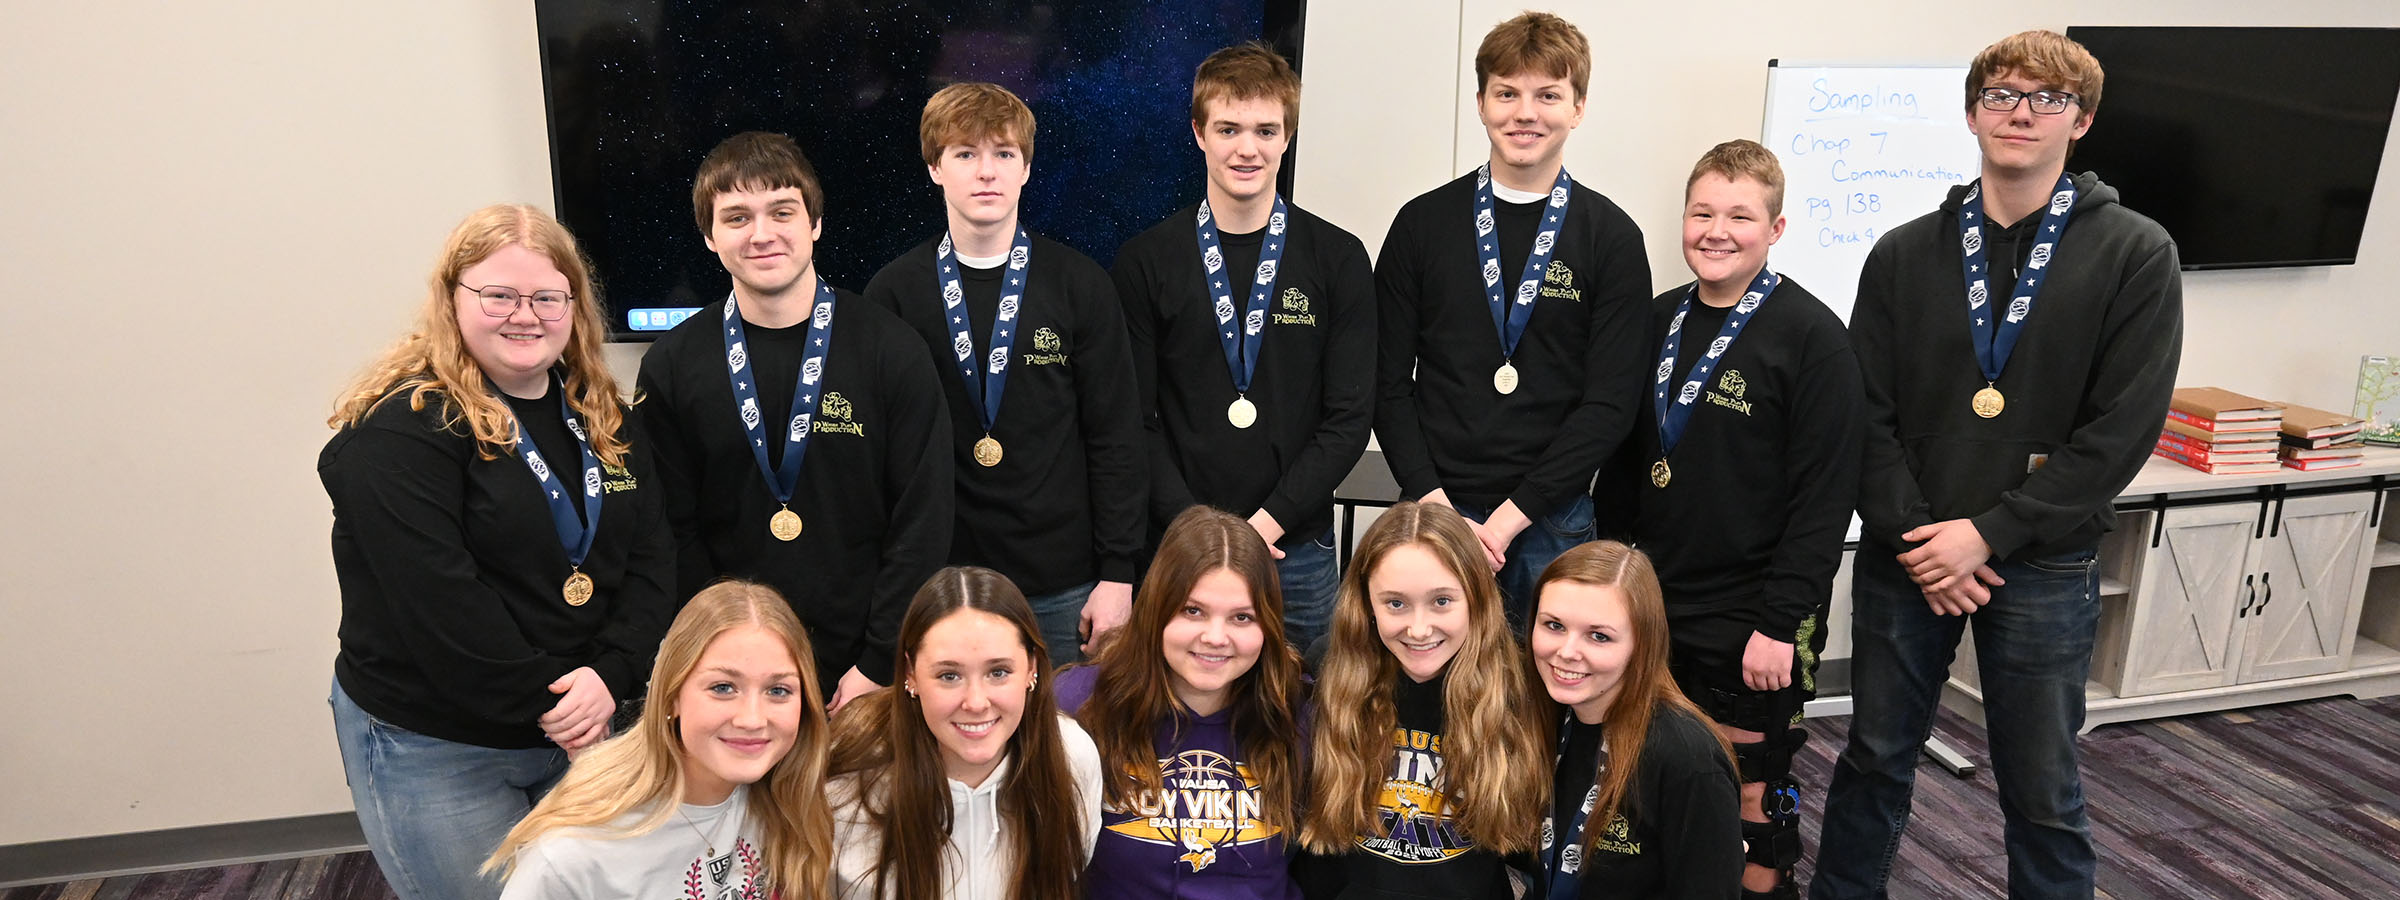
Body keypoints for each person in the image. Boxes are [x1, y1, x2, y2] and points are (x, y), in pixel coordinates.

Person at [1812, 30, 2183, 900]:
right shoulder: (1904, 252)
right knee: (1872, 760)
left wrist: (1987, 534)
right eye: (2003, 95)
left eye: (2047, 99)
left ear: (2081, 120)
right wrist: (1920, 539)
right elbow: (1865, 413)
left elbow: (2119, 434)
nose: (2021, 113)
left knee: (2043, 789)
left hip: (2043, 561)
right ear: (1972, 111)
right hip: (1911, 557)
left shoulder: (2134, 252)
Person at [321, 203, 675, 900]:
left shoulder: (606, 416)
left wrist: (610, 675)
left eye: (548, 297)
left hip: (591, 723)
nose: (526, 315)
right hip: (442, 744)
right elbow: (441, 603)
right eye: (499, 296)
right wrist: (557, 701)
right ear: (452, 300)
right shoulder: (398, 432)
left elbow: (653, 562)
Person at [1600, 139, 1861, 899]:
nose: (1717, 231)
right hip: (1651, 601)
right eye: (1702, 212)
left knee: (1753, 789)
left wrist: (1781, 623)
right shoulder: (1654, 322)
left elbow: (1825, 497)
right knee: (1650, 779)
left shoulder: (1812, 339)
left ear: (1775, 230)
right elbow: (1621, 466)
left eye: (1740, 216)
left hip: (1752, 616)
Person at [637, 131, 952, 708]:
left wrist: (879, 660)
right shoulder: (672, 365)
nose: (761, 234)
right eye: (736, 217)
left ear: (815, 223)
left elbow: (923, 518)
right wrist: (721, 657)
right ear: (709, 237)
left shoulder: (892, 348)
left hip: (864, 672)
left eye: (781, 210)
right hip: (736, 674)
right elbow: (670, 531)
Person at [1372, 11, 1650, 627]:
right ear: (1480, 103)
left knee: (1547, 702)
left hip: (1553, 520)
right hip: (1434, 508)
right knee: (1426, 697)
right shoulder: (1421, 226)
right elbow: (1386, 384)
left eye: (1548, 95)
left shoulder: (1612, 239)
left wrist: (1508, 519)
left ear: (1578, 107)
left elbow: (1610, 404)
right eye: (1507, 93)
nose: (1526, 113)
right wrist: (1438, 509)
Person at [865, 82, 1144, 664]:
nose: (985, 172)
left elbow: (1116, 436)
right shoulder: (893, 293)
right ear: (935, 167)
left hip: (1064, 583)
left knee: (1066, 748)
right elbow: (879, 457)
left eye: (1003, 154)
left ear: (1026, 167)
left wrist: (1118, 575)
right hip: (938, 578)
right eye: (966, 154)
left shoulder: (1081, 284)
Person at [1112, 42, 1375, 653]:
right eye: (1228, 128)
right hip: (1178, 547)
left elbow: (1348, 420)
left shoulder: (1337, 258)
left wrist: (1263, 527)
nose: (1247, 148)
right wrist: (1199, 532)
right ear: (1199, 133)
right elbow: (1134, 421)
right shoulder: (1146, 261)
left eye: (1265, 130)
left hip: (1296, 549)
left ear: (1287, 138)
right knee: (1174, 727)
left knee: (1305, 725)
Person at [487, 581, 834, 900]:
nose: (753, 719)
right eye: (723, 688)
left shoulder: (791, 802)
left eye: (778, 690)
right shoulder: (573, 852)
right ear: (670, 697)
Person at [1058, 506, 1310, 899]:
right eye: (1193, 611)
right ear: (1156, 611)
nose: (1215, 636)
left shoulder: (1294, 710)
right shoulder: (1081, 704)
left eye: (1242, 617)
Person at [1298, 501, 1547, 899]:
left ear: (1477, 598)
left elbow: (1524, 846)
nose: (1418, 629)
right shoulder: (1328, 667)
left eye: (1442, 601)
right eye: (1395, 603)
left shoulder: (1519, 685)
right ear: (1367, 605)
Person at [825, 566, 1104, 900]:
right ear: (910, 673)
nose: (975, 702)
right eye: (949, 676)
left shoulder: (1071, 754)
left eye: (998, 672)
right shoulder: (850, 767)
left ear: (1031, 668)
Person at [1529, 541, 1743, 899]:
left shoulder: (1687, 760)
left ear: (1641, 644)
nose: (1566, 652)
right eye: (1553, 625)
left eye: (1599, 636)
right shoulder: (1548, 715)